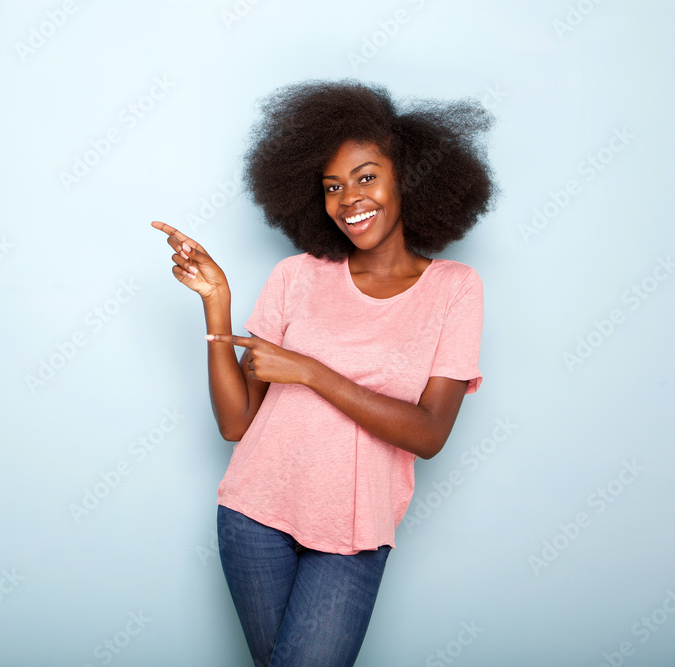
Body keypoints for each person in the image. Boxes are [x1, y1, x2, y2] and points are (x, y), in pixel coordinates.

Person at [152, 78, 498, 666]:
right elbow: (236, 423)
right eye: (333, 186)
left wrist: (311, 371)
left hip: (355, 533)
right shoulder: (296, 276)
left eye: (366, 177)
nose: (349, 199)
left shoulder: (454, 290)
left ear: (407, 179)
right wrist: (217, 304)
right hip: (253, 516)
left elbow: (429, 433)